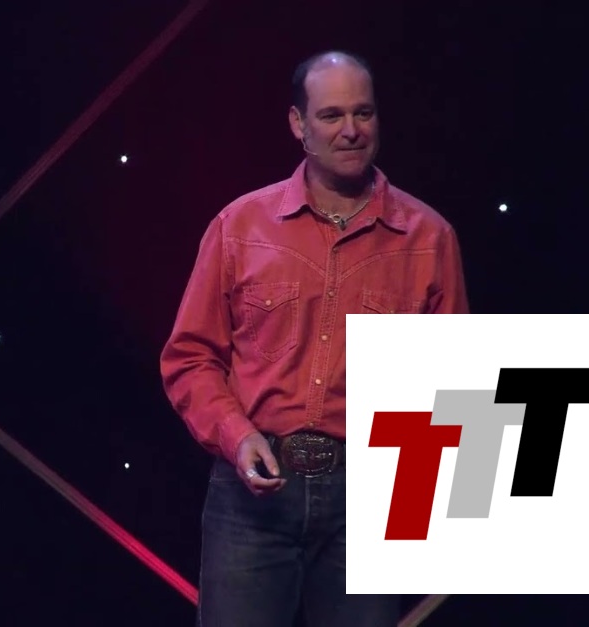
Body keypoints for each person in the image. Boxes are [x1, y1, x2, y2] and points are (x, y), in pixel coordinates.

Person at [159, 50, 469, 627]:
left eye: (363, 113)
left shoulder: (429, 238)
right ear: (298, 124)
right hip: (252, 496)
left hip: (368, 501)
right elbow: (191, 358)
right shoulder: (239, 227)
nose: (351, 130)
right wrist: (237, 436)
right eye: (331, 116)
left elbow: (451, 386)